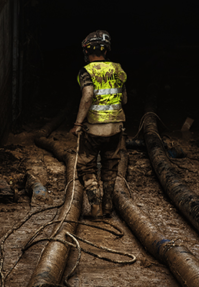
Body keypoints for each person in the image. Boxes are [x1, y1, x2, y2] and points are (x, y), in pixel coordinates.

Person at [69, 30, 127, 218]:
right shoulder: (118, 70)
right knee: (110, 166)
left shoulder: (86, 71)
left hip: (93, 129)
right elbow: (124, 99)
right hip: (116, 127)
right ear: (106, 51)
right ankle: (108, 206)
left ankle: (95, 206)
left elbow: (87, 95)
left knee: (87, 166)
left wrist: (78, 123)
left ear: (86, 52)